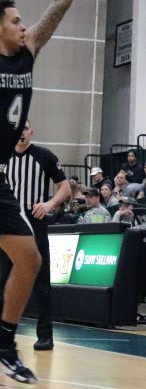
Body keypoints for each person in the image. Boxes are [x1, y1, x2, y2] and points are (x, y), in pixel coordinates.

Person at [0, 0, 112, 384]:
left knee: (29, 259)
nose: (24, 26)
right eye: (15, 21)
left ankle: (4, 344)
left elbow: (60, 2)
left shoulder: (28, 52)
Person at [2, 120, 71, 352]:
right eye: (17, 129)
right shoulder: (3, 156)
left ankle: (45, 335)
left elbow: (65, 188)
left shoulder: (44, 156)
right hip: (7, 224)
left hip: (34, 224)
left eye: (25, 129)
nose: (21, 133)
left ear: (31, 132)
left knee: (41, 282)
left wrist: (49, 203)